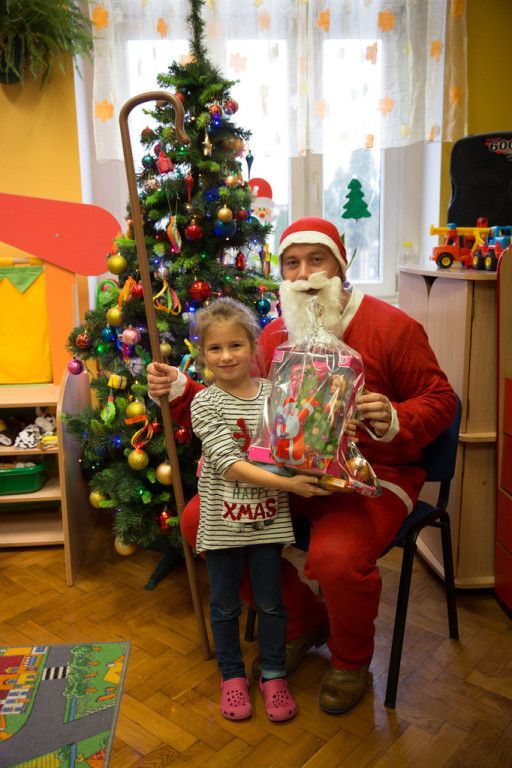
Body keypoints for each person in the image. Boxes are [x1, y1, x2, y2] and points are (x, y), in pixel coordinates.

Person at [148, 217, 457, 715]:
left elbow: (441, 400)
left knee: (335, 558)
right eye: (292, 263)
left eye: (317, 260)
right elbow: (239, 404)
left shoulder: (394, 327)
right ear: (281, 273)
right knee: (198, 521)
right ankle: (300, 619)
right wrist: (183, 393)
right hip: (284, 477)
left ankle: (351, 659)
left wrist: (396, 416)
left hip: (372, 478)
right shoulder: (271, 336)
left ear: (342, 264)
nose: (304, 273)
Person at [148, 297, 331, 723]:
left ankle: (273, 675)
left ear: (254, 347)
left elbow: (296, 444)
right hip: (221, 522)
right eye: (215, 348)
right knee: (225, 605)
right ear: (201, 354)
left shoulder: (275, 394)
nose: (226, 356)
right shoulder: (204, 403)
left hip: (267, 522)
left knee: (270, 604)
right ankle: (231, 677)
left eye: (236, 345)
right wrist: (290, 484)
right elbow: (230, 465)